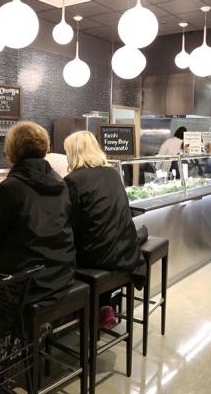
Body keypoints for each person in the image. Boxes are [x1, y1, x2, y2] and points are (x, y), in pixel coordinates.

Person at [0, 121, 75, 304]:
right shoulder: (60, 182)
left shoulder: (11, 187)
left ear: (11, 152)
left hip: (27, 281)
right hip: (62, 272)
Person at [63, 131, 147, 329]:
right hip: (125, 250)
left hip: (98, 255)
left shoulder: (73, 180)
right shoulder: (112, 173)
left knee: (73, 252)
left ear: (74, 153)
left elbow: (71, 224)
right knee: (121, 235)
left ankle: (79, 314)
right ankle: (104, 305)